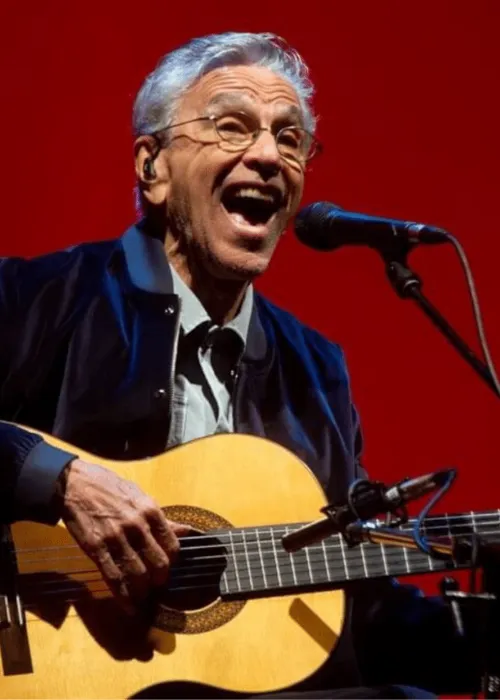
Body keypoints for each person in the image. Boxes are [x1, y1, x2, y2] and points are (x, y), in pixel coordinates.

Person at [0, 32, 482, 699]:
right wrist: (60, 479)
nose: (266, 155)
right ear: (153, 168)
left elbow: (357, 614)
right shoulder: (33, 299)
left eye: (290, 139)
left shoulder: (316, 371)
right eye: (232, 127)